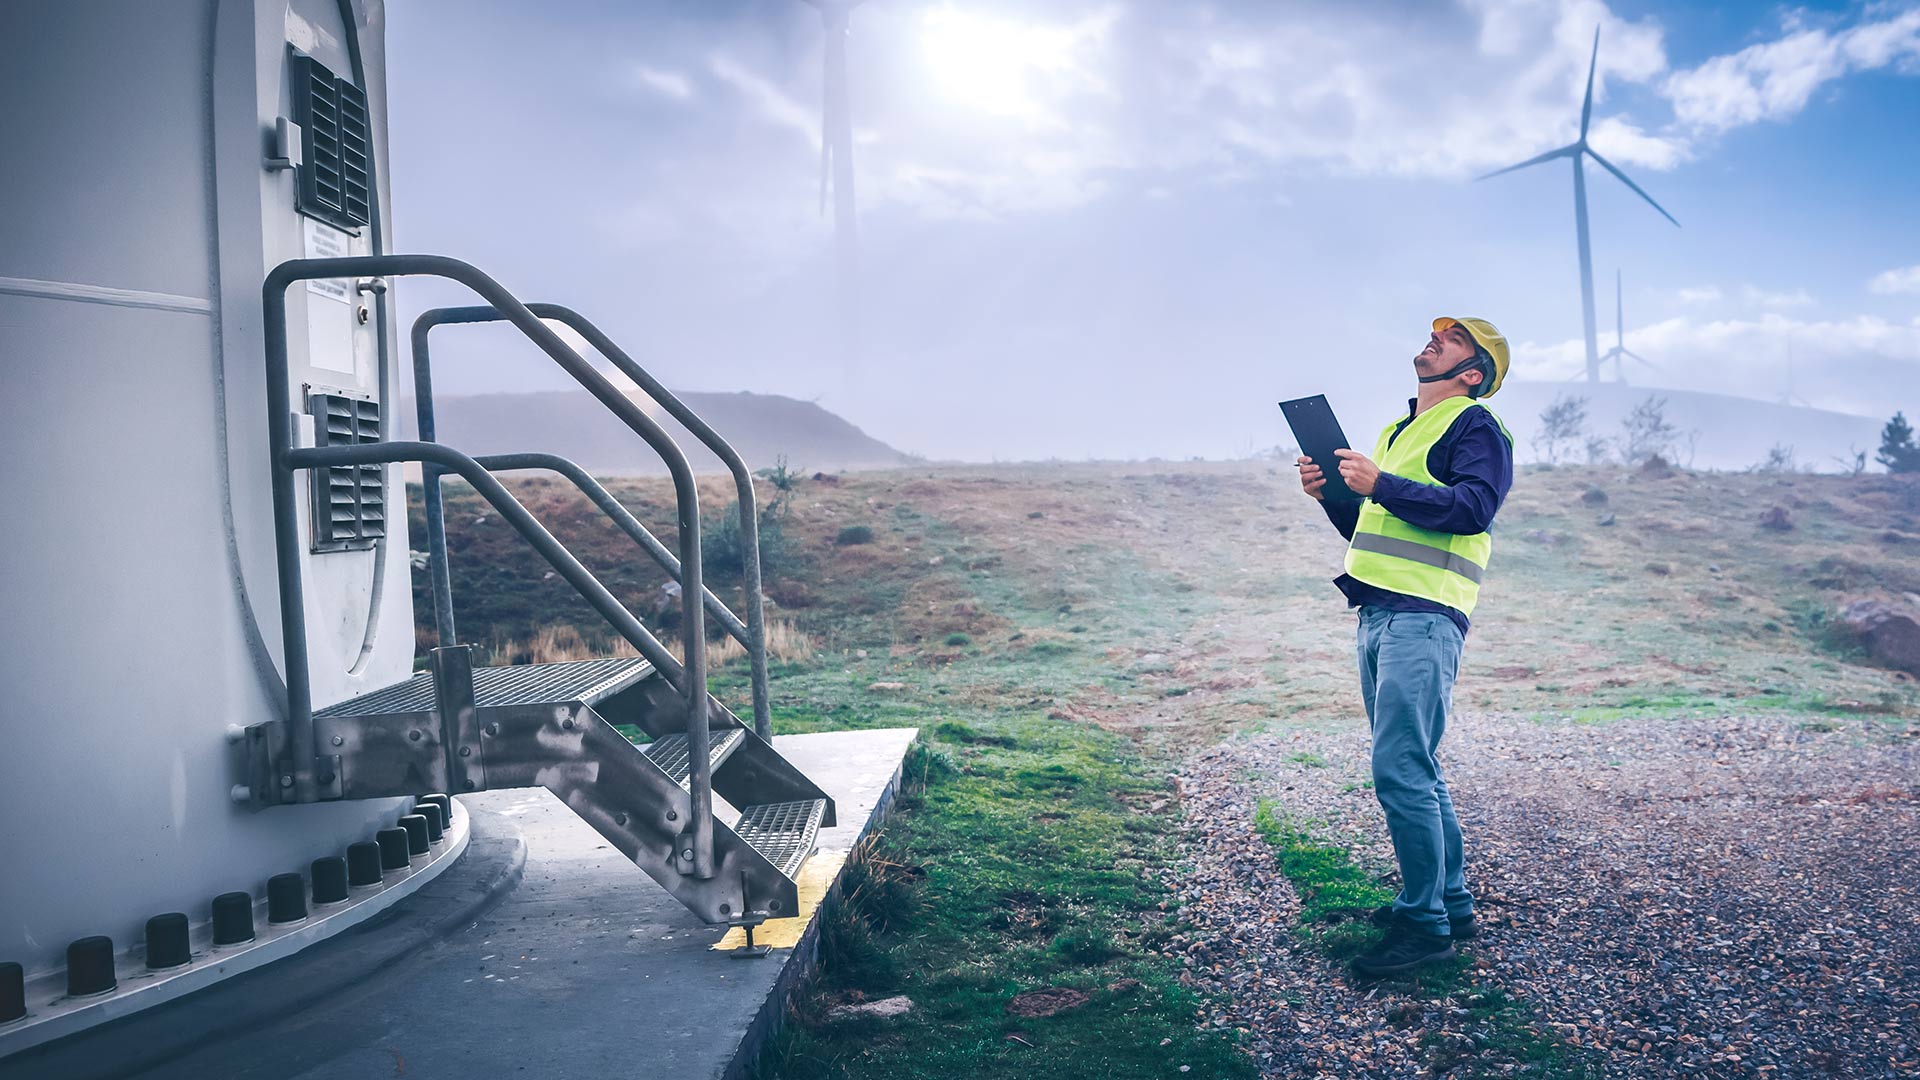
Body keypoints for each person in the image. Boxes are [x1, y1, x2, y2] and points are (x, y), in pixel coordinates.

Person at [1296, 317, 1514, 978]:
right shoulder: (1397, 432)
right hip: (1379, 610)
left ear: (1472, 373)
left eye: (1451, 339)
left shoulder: (1475, 426)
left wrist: (1379, 484)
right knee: (1416, 764)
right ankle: (1451, 903)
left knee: (1399, 768)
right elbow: (1375, 523)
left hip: (1424, 616)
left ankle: (1425, 929)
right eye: (1434, 333)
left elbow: (1473, 508)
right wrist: (1334, 497)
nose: (1433, 339)